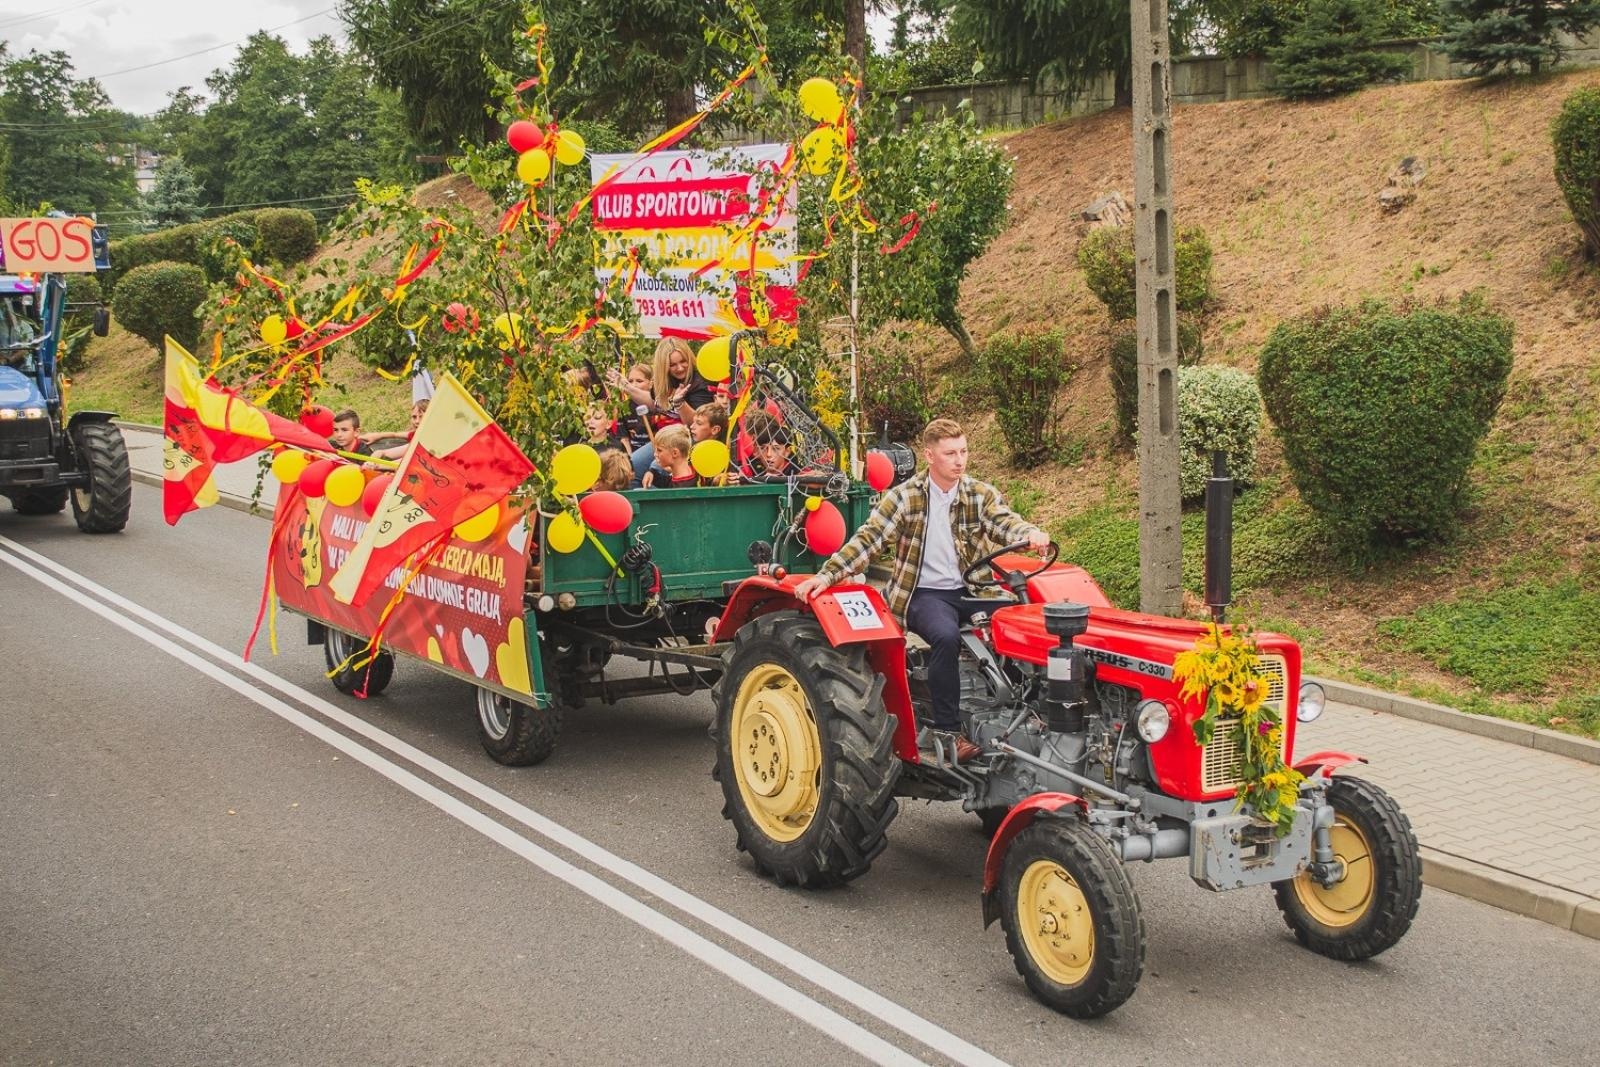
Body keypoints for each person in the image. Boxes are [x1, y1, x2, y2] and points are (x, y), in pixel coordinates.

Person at [793, 418, 1049, 763]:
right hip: (924, 594)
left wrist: (1030, 534)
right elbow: (870, 540)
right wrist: (827, 576)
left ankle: (1029, 716)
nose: (959, 460)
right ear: (930, 455)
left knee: (1024, 625)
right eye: (950, 453)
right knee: (945, 636)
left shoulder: (979, 494)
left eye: (963, 451)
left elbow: (1005, 522)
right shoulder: (905, 498)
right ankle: (949, 732)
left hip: (973, 591)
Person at [611, 339, 716, 485]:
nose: (679, 368)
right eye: (673, 365)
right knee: (628, 471)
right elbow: (654, 405)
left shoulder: (699, 383)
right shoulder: (664, 382)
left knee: (654, 470)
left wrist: (680, 403)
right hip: (666, 439)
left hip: (689, 441)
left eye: (683, 361)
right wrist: (627, 388)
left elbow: (697, 424)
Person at [641, 425, 700, 489]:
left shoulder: (681, 487)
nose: (655, 454)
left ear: (675, 453)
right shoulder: (693, 471)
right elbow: (667, 481)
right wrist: (651, 473)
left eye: (659, 450)